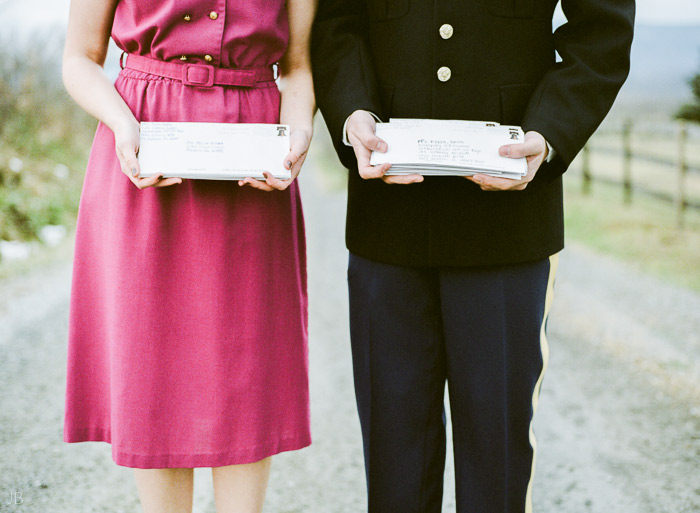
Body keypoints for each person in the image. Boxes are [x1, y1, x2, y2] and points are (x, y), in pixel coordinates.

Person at [311, 0, 634, 511]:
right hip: (388, 220)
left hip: (508, 223)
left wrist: (547, 132)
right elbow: (337, 24)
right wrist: (355, 111)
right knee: (394, 457)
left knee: (496, 457)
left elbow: (601, 33)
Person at [62, 0, 315, 511]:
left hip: (254, 159)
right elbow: (79, 59)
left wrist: (295, 136)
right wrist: (120, 123)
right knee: (151, 360)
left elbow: (298, 69)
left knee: (247, 365)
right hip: (146, 140)